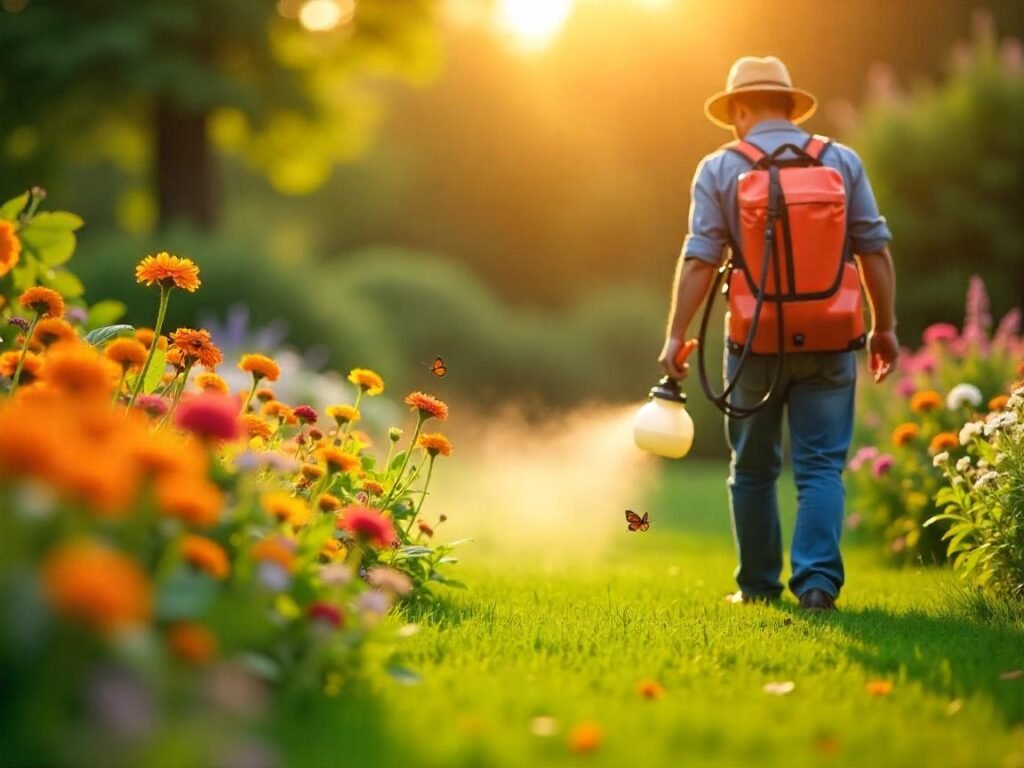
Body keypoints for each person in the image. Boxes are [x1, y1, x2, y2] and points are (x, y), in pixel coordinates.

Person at [658, 56, 898, 612]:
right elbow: (875, 249)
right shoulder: (840, 159)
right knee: (819, 467)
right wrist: (883, 327)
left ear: (739, 110)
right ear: (790, 106)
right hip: (832, 338)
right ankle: (817, 585)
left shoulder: (718, 168)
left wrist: (675, 335)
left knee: (754, 468)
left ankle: (758, 589)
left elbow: (700, 258)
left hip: (753, 344)